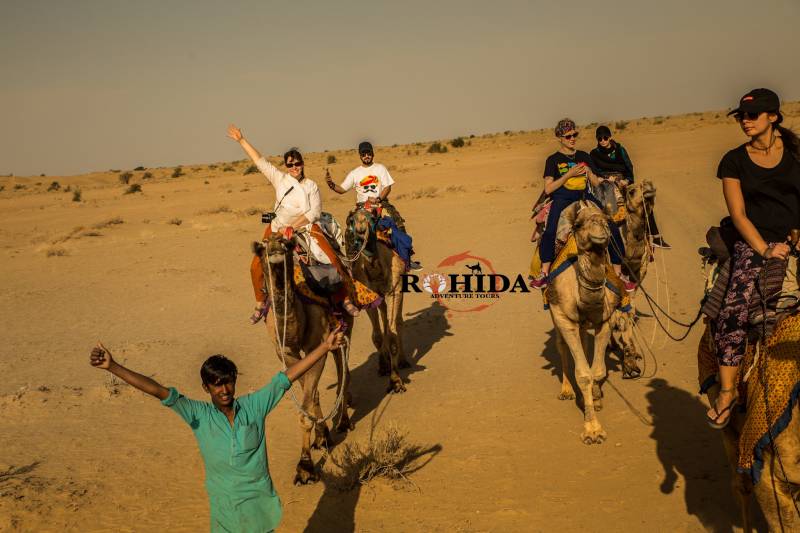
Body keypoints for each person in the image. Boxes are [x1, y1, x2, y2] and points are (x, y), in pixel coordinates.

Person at [89, 326, 344, 532]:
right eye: (216, 385)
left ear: (234, 383)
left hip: (260, 511)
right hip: (226, 516)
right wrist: (113, 367)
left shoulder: (254, 406)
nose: (224, 390)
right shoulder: (197, 414)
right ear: (206, 388)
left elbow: (286, 378)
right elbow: (156, 390)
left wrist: (324, 347)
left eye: (228, 383)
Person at [706, 88, 800, 429]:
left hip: (795, 236)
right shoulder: (733, 160)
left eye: (752, 115)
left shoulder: (795, 152)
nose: (745, 121)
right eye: (742, 116)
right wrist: (764, 249)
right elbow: (740, 214)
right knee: (734, 309)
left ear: (773, 117)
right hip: (755, 241)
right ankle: (728, 391)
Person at [226, 125, 363, 320]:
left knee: (332, 258)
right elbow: (259, 161)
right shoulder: (279, 179)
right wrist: (241, 140)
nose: (294, 168)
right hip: (277, 229)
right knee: (256, 265)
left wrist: (293, 226)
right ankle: (260, 301)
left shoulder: (311, 186)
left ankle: (344, 298)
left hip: (306, 227)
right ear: (286, 166)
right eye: (290, 165)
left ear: (302, 163)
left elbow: (314, 213)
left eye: (297, 164)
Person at [529, 118, 635, 291]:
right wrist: (567, 175)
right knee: (550, 230)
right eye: (568, 135)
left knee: (611, 226)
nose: (572, 138)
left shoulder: (583, 156)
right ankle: (544, 272)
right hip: (562, 198)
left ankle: (618, 272)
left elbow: (595, 182)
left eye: (574, 134)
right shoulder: (553, 160)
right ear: (560, 137)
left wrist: (590, 173)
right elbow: (548, 189)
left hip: (584, 197)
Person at [326, 141, 422, 270]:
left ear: (372, 154)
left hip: (381, 202)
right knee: (351, 229)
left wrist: (378, 199)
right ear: (360, 155)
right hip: (362, 207)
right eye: (363, 153)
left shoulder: (380, 168)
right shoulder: (355, 173)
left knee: (397, 222)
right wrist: (331, 184)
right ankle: (351, 261)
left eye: (368, 153)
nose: (366, 156)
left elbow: (387, 187)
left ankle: (406, 259)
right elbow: (342, 189)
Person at [590, 125, 671, 249]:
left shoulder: (620, 150)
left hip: (622, 181)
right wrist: (603, 179)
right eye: (600, 139)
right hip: (604, 184)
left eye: (605, 138)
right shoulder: (594, 154)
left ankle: (655, 236)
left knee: (643, 200)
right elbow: (594, 171)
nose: (603, 141)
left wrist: (627, 180)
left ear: (610, 137)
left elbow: (629, 167)